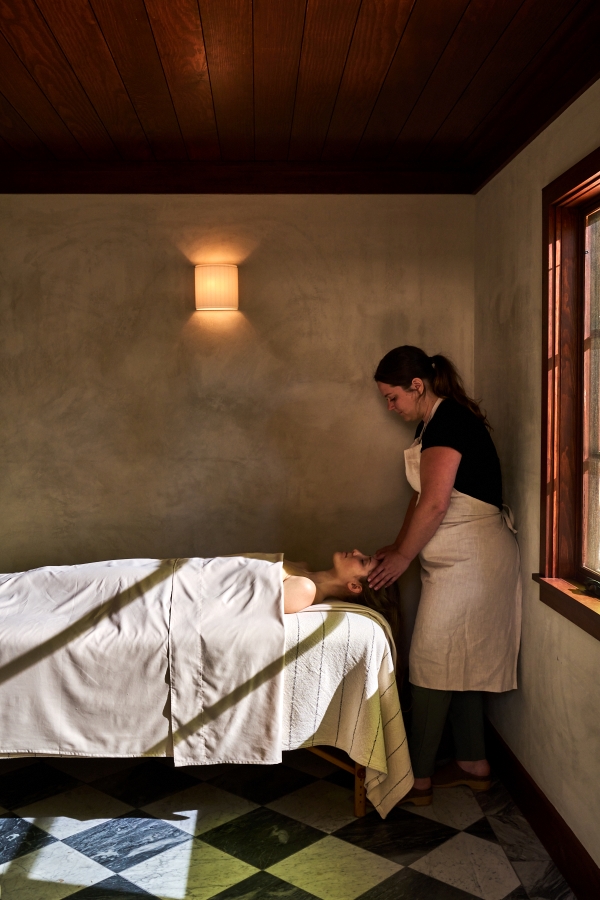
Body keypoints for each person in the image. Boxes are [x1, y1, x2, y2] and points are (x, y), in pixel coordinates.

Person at [367, 345, 521, 806]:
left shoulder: (451, 422)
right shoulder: (429, 425)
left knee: (433, 663)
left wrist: (403, 559)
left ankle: (415, 777)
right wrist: (397, 548)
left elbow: (436, 503)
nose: (389, 408)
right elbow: (419, 500)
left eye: (392, 397)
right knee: (460, 661)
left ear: (418, 386)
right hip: (455, 560)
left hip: (475, 560)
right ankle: (473, 763)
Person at [282, 549, 378, 613]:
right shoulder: (304, 566)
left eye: (363, 561)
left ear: (354, 586)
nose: (356, 551)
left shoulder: (305, 590)